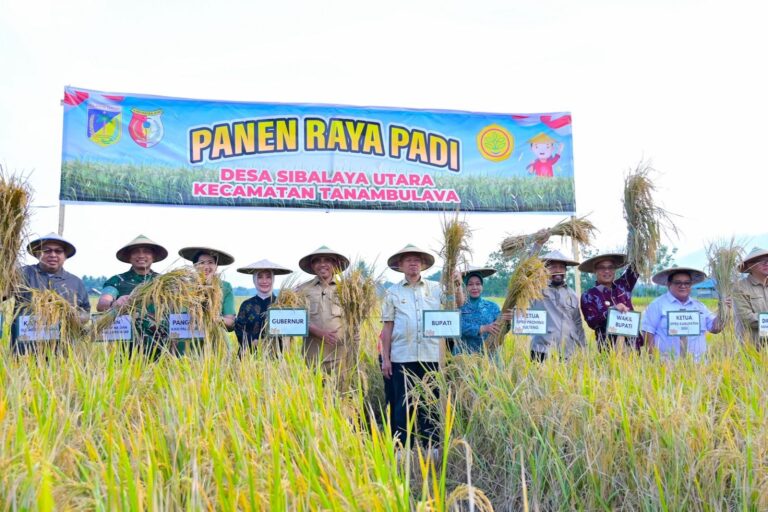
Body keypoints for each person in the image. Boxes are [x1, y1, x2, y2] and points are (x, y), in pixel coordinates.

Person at [380, 244, 464, 445]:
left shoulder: (436, 289)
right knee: (403, 404)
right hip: (402, 357)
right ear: (400, 265)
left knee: (430, 404)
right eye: (408, 260)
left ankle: (432, 448)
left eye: (416, 260)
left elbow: (458, 304)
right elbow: (387, 328)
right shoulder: (392, 293)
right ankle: (401, 449)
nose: (413, 263)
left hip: (431, 356)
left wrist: (458, 284)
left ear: (422, 265)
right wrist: (386, 359)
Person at [12, 233, 90, 354]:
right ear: (38, 254)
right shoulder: (22, 274)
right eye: (46, 251)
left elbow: (85, 312)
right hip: (25, 349)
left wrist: (77, 317)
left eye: (58, 251)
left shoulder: (75, 282)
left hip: (63, 350)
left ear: (65, 256)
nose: (53, 255)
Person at [641, 267, 728, 361]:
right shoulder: (657, 305)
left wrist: (724, 310)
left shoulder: (699, 306)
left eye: (687, 283)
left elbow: (715, 328)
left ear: (691, 284)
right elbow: (647, 333)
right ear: (669, 284)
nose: (683, 286)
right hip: (667, 366)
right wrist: (654, 361)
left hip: (699, 367)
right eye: (678, 282)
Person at [296, 245, 351, 376]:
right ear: (312, 265)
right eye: (317, 260)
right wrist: (318, 332)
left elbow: (355, 322)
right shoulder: (301, 290)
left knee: (341, 395)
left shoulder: (347, 290)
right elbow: (294, 320)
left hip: (340, 357)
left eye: (327, 260)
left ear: (335, 264)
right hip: (311, 358)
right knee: (313, 395)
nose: (322, 264)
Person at [529, 250, 586, 361]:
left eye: (561, 267)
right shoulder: (535, 289)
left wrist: (584, 347)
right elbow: (527, 269)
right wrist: (538, 245)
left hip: (567, 351)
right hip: (542, 350)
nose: (558, 270)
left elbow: (577, 322)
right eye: (553, 267)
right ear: (544, 270)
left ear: (565, 271)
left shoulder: (572, 294)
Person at [178, 246, 236, 353]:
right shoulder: (184, 287)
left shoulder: (225, 287)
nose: (206, 266)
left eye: (210, 262)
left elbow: (231, 323)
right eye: (201, 263)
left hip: (216, 345)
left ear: (216, 266)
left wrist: (214, 318)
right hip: (187, 346)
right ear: (195, 266)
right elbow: (176, 319)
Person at [578, 253, 639, 350]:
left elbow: (637, 265)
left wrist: (637, 244)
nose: (607, 271)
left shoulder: (623, 285)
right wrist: (612, 311)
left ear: (615, 270)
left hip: (632, 348)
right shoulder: (588, 295)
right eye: (601, 268)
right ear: (595, 271)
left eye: (611, 267)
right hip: (608, 349)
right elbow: (592, 322)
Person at [234, 259, 293, 355]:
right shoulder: (246, 305)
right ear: (254, 280)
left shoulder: (282, 304)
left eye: (268, 277)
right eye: (260, 277)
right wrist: (252, 342)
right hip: (249, 356)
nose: (264, 281)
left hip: (277, 356)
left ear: (273, 280)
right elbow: (239, 328)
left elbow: (291, 328)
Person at [96, 235, 167, 312]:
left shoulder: (164, 281)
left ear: (153, 257)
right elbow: (102, 304)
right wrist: (115, 304)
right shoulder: (117, 281)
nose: (141, 256)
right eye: (135, 252)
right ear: (129, 257)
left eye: (146, 251)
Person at [456, 266, 511, 355]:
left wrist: (507, 322)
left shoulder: (492, 307)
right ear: (465, 287)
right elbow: (456, 327)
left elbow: (501, 331)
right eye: (470, 284)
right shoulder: (459, 306)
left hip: (488, 356)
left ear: (482, 286)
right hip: (463, 355)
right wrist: (482, 328)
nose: (474, 287)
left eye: (478, 284)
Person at [734, 248, 768, 346]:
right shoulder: (740, 288)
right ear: (750, 265)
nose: (766, 263)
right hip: (752, 347)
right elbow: (747, 318)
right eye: (762, 261)